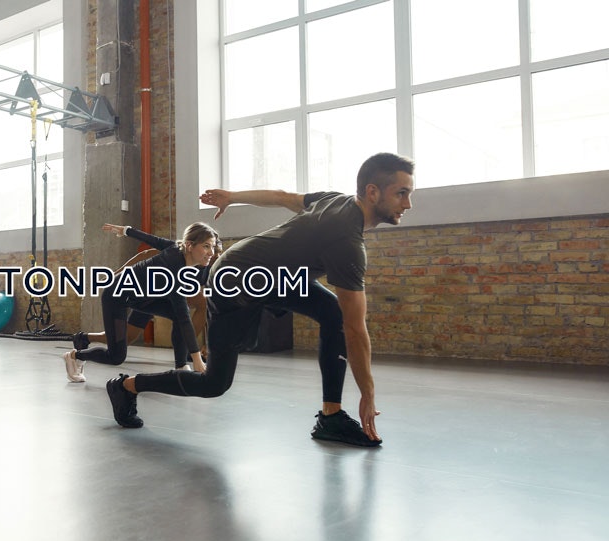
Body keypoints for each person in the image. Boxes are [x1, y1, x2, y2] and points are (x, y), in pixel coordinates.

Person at [105, 152, 414, 448]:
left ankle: (330, 417)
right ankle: (126, 386)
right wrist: (368, 394)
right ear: (372, 192)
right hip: (236, 279)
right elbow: (356, 330)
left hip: (272, 279)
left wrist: (232, 196)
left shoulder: (337, 200)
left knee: (332, 312)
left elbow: (282, 197)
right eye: (401, 193)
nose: (408, 203)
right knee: (214, 384)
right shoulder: (347, 242)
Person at [63, 222, 219, 382]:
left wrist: (126, 230)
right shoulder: (175, 268)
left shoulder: (177, 250)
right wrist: (197, 360)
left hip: (142, 299)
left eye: (212, 247)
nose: (211, 253)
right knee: (116, 356)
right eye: (206, 246)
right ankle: (75, 356)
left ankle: (181, 367)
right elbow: (184, 317)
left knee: (178, 315)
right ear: (190, 246)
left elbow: (153, 240)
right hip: (116, 296)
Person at [72, 243, 221, 358]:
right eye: (211, 250)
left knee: (128, 337)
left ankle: (84, 338)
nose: (214, 255)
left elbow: (209, 312)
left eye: (217, 253)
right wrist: (116, 275)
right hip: (144, 295)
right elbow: (145, 254)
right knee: (126, 338)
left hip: (162, 300)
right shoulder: (179, 254)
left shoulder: (210, 272)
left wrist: (207, 345)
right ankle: (189, 350)